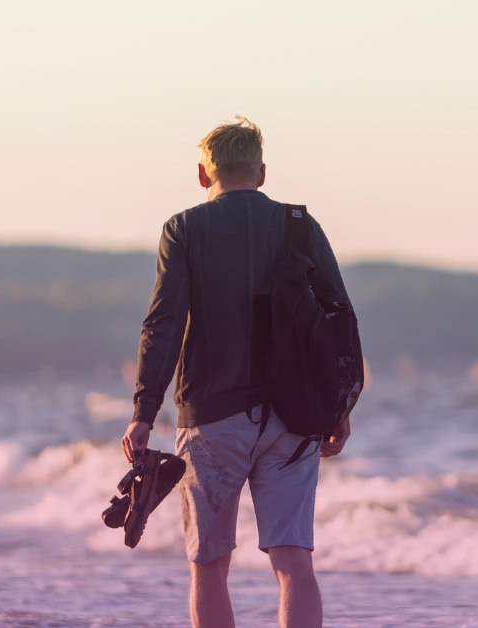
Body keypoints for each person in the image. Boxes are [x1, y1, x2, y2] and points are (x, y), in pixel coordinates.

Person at [120, 116, 356, 628]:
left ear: (204, 175)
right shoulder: (300, 225)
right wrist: (339, 407)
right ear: (262, 173)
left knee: (209, 566)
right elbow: (339, 319)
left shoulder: (184, 229)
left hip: (212, 417)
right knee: (295, 564)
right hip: (294, 418)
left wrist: (143, 413)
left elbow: (162, 324)